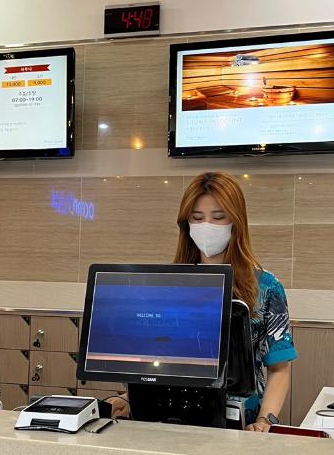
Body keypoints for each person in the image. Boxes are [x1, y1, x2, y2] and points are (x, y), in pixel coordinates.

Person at [109, 171, 297, 431]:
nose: (207, 226)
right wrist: (126, 399)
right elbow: (157, 365)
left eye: (218, 217)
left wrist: (265, 420)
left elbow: (279, 369)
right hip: (168, 421)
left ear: (237, 221)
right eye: (197, 218)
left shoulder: (266, 287)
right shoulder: (167, 285)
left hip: (240, 425)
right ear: (186, 223)